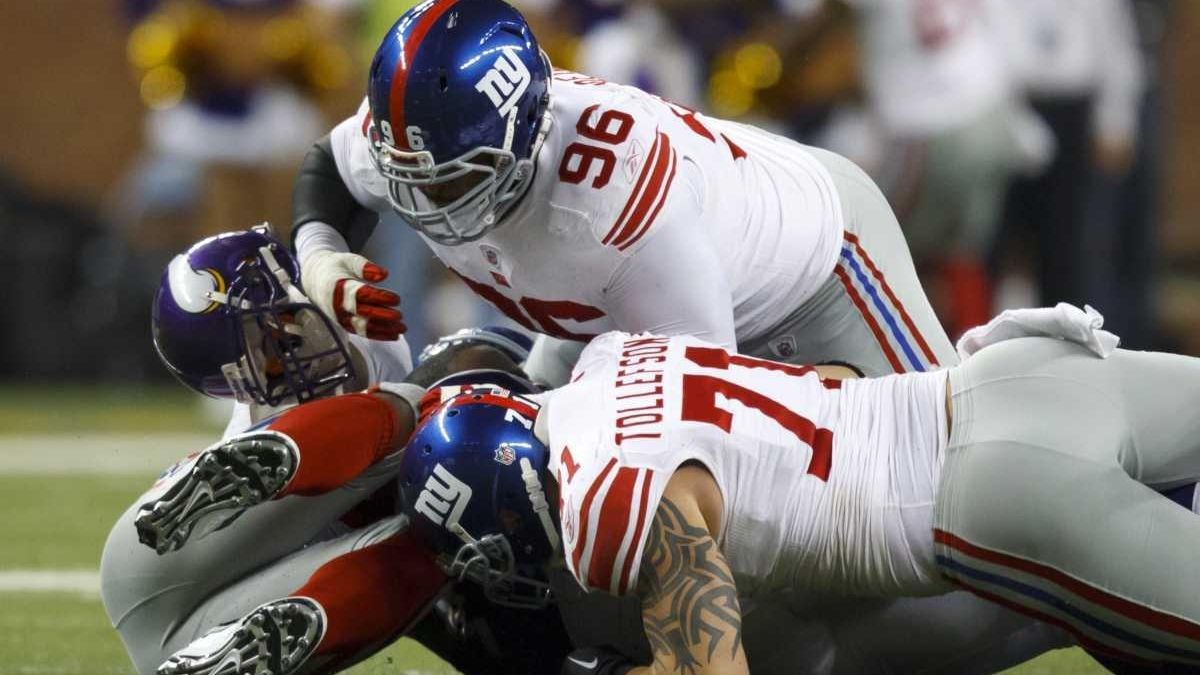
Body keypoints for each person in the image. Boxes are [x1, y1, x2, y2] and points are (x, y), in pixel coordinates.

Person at [400, 321, 1200, 674]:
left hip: (993, 492)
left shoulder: (603, 504)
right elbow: (835, 382)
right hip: (1018, 376)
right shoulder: (612, 360)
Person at [290, 0, 955, 383]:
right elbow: (333, 168)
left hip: (819, 263)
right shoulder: (428, 137)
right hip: (619, 310)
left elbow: (704, 407)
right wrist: (319, 258)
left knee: (932, 461)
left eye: (457, 176)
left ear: (525, 137)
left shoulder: (619, 209)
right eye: (412, 174)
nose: (430, 202)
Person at [100, 228, 571, 675]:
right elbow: (480, 370)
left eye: (271, 331)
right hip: (185, 550)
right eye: (253, 368)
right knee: (447, 489)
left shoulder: (354, 318)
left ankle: (292, 624)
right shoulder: (279, 410)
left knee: (444, 531)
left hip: (209, 624)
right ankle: (315, 462)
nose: (279, 361)